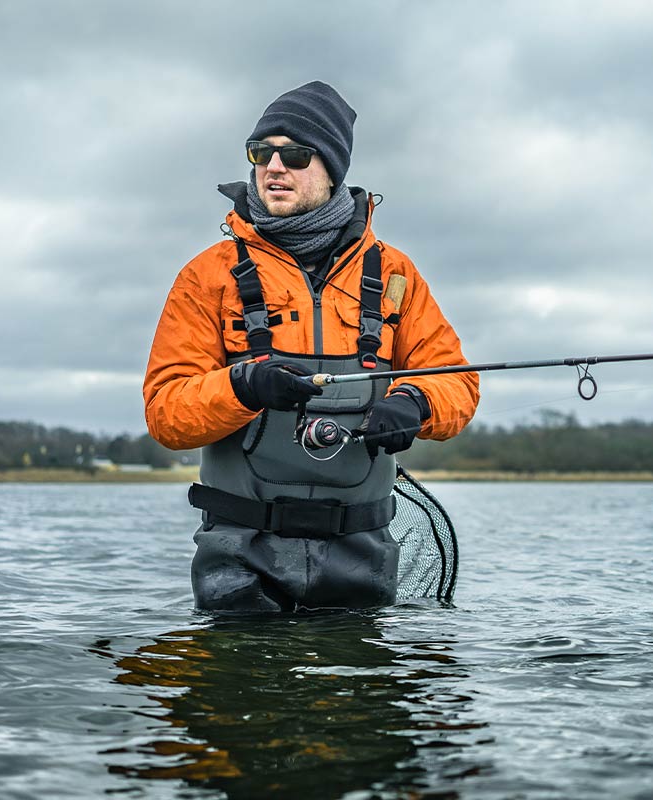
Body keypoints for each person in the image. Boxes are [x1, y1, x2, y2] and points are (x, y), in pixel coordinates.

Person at [143, 81, 480, 613]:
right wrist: (242, 385)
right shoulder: (207, 275)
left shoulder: (395, 273)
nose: (274, 166)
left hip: (361, 553)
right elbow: (166, 413)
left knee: (361, 690)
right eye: (262, 153)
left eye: (295, 154)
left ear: (332, 168)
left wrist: (415, 402)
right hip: (239, 559)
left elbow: (457, 380)